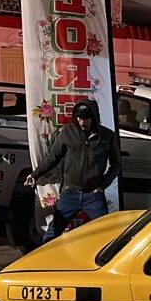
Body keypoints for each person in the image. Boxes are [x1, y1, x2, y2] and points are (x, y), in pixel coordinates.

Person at [25, 98, 119, 242]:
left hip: (93, 195)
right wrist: (35, 174)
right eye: (79, 118)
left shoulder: (107, 136)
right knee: (52, 233)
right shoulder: (67, 133)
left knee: (106, 235)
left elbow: (116, 165)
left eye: (86, 118)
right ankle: (46, 255)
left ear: (94, 117)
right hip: (70, 192)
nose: (82, 122)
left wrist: (102, 186)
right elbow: (52, 157)